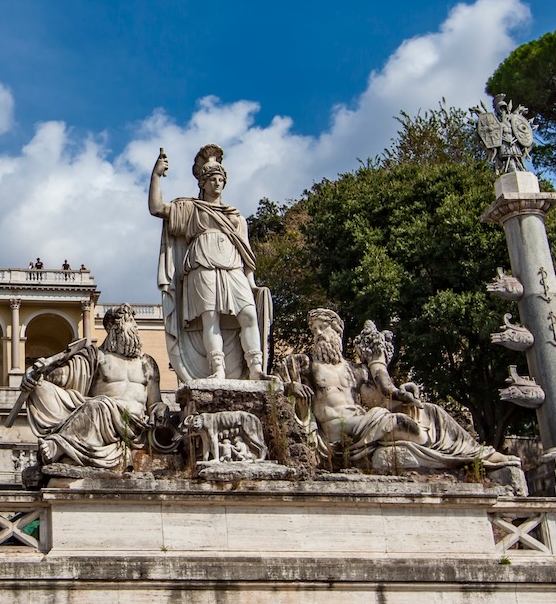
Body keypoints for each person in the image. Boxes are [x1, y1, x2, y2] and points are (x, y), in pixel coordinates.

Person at [280, 309, 523, 491]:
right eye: (314, 330)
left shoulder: (355, 370)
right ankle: (450, 454)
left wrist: (401, 393)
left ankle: (480, 454)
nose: (318, 334)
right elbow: (278, 387)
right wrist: (292, 387)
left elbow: (379, 398)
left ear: (337, 333)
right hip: (338, 431)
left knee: (431, 411)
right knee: (399, 424)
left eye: (323, 328)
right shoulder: (307, 366)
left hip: (364, 420)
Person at [150, 144, 268, 381]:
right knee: (210, 319)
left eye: (220, 179)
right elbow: (157, 208)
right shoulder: (190, 208)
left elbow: (246, 256)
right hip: (202, 265)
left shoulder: (235, 216)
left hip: (233, 266)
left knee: (249, 315)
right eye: (212, 179)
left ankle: (255, 368)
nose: (217, 183)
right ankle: (217, 370)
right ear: (202, 183)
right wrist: (156, 176)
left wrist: (252, 284)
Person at [22, 304, 162, 470]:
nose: (136, 326)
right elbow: (63, 376)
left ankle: (57, 446)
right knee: (41, 388)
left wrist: (160, 409)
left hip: (134, 424)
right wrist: (36, 373)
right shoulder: (97, 357)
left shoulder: (147, 363)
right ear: (114, 328)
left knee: (98, 405)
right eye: (130, 321)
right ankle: (65, 446)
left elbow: (155, 403)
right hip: (100, 414)